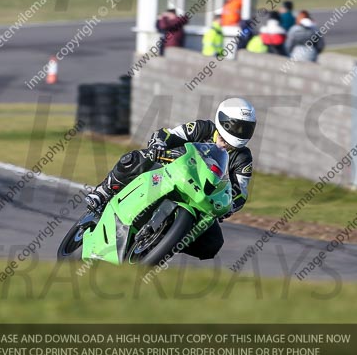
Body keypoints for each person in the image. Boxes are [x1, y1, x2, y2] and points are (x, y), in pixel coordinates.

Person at [84, 97, 256, 260]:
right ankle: (103, 192)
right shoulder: (202, 128)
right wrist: (159, 145)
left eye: (245, 128)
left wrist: (230, 205)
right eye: (236, 126)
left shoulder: (243, 158)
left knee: (213, 243)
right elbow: (170, 134)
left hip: (200, 198)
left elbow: (240, 191)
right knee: (135, 159)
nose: (239, 132)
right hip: (171, 173)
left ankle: (162, 245)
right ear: (223, 120)